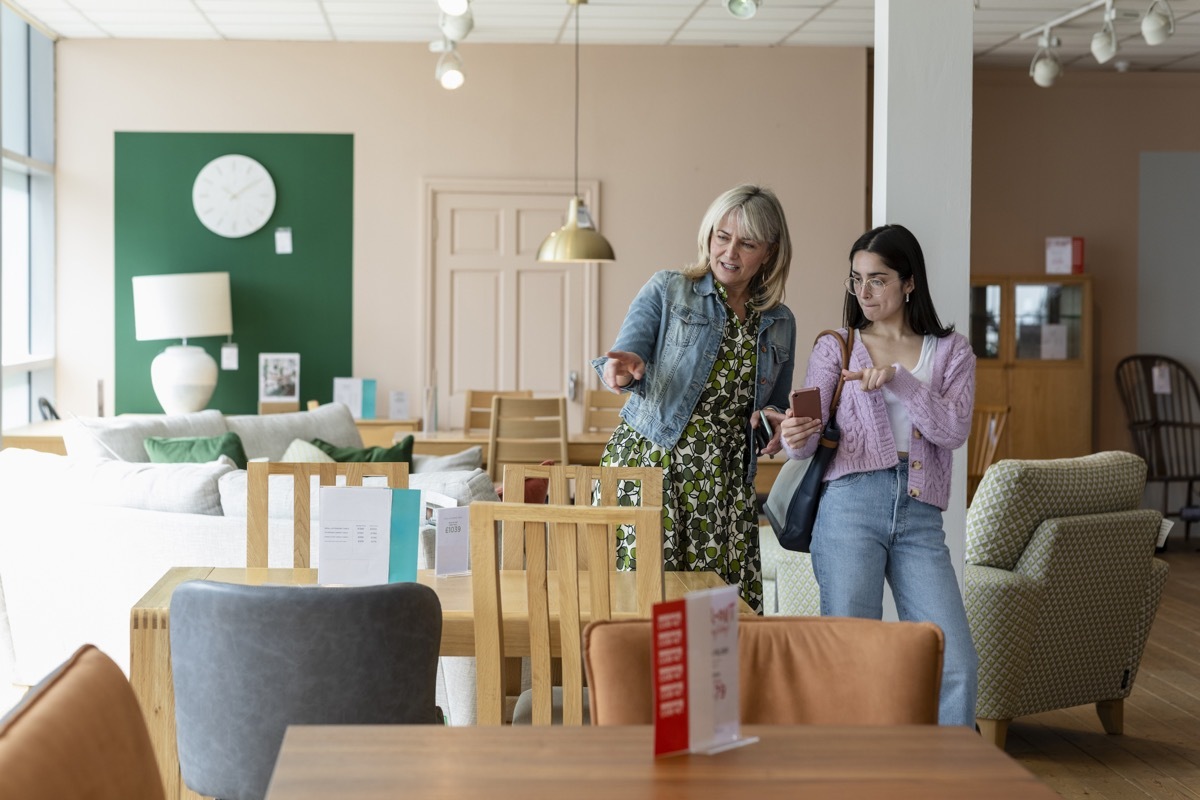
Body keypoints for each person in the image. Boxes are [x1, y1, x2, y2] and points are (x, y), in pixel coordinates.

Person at [779, 223, 978, 727]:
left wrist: (901, 381)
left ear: (909, 282)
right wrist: (793, 433)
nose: (864, 292)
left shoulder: (951, 351)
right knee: (849, 656)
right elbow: (804, 438)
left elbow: (953, 430)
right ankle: (850, 774)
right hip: (848, 507)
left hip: (919, 516)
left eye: (878, 279)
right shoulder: (837, 347)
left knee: (953, 660)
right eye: (856, 280)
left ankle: (951, 777)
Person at [592, 184, 796, 613]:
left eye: (747, 243)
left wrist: (777, 425)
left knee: (715, 615)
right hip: (653, 467)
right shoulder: (669, 290)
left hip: (723, 483)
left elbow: (770, 409)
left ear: (769, 252)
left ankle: (704, 686)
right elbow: (627, 352)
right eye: (722, 236)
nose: (730, 251)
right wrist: (622, 369)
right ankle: (630, 683)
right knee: (643, 601)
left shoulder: (779, 323)